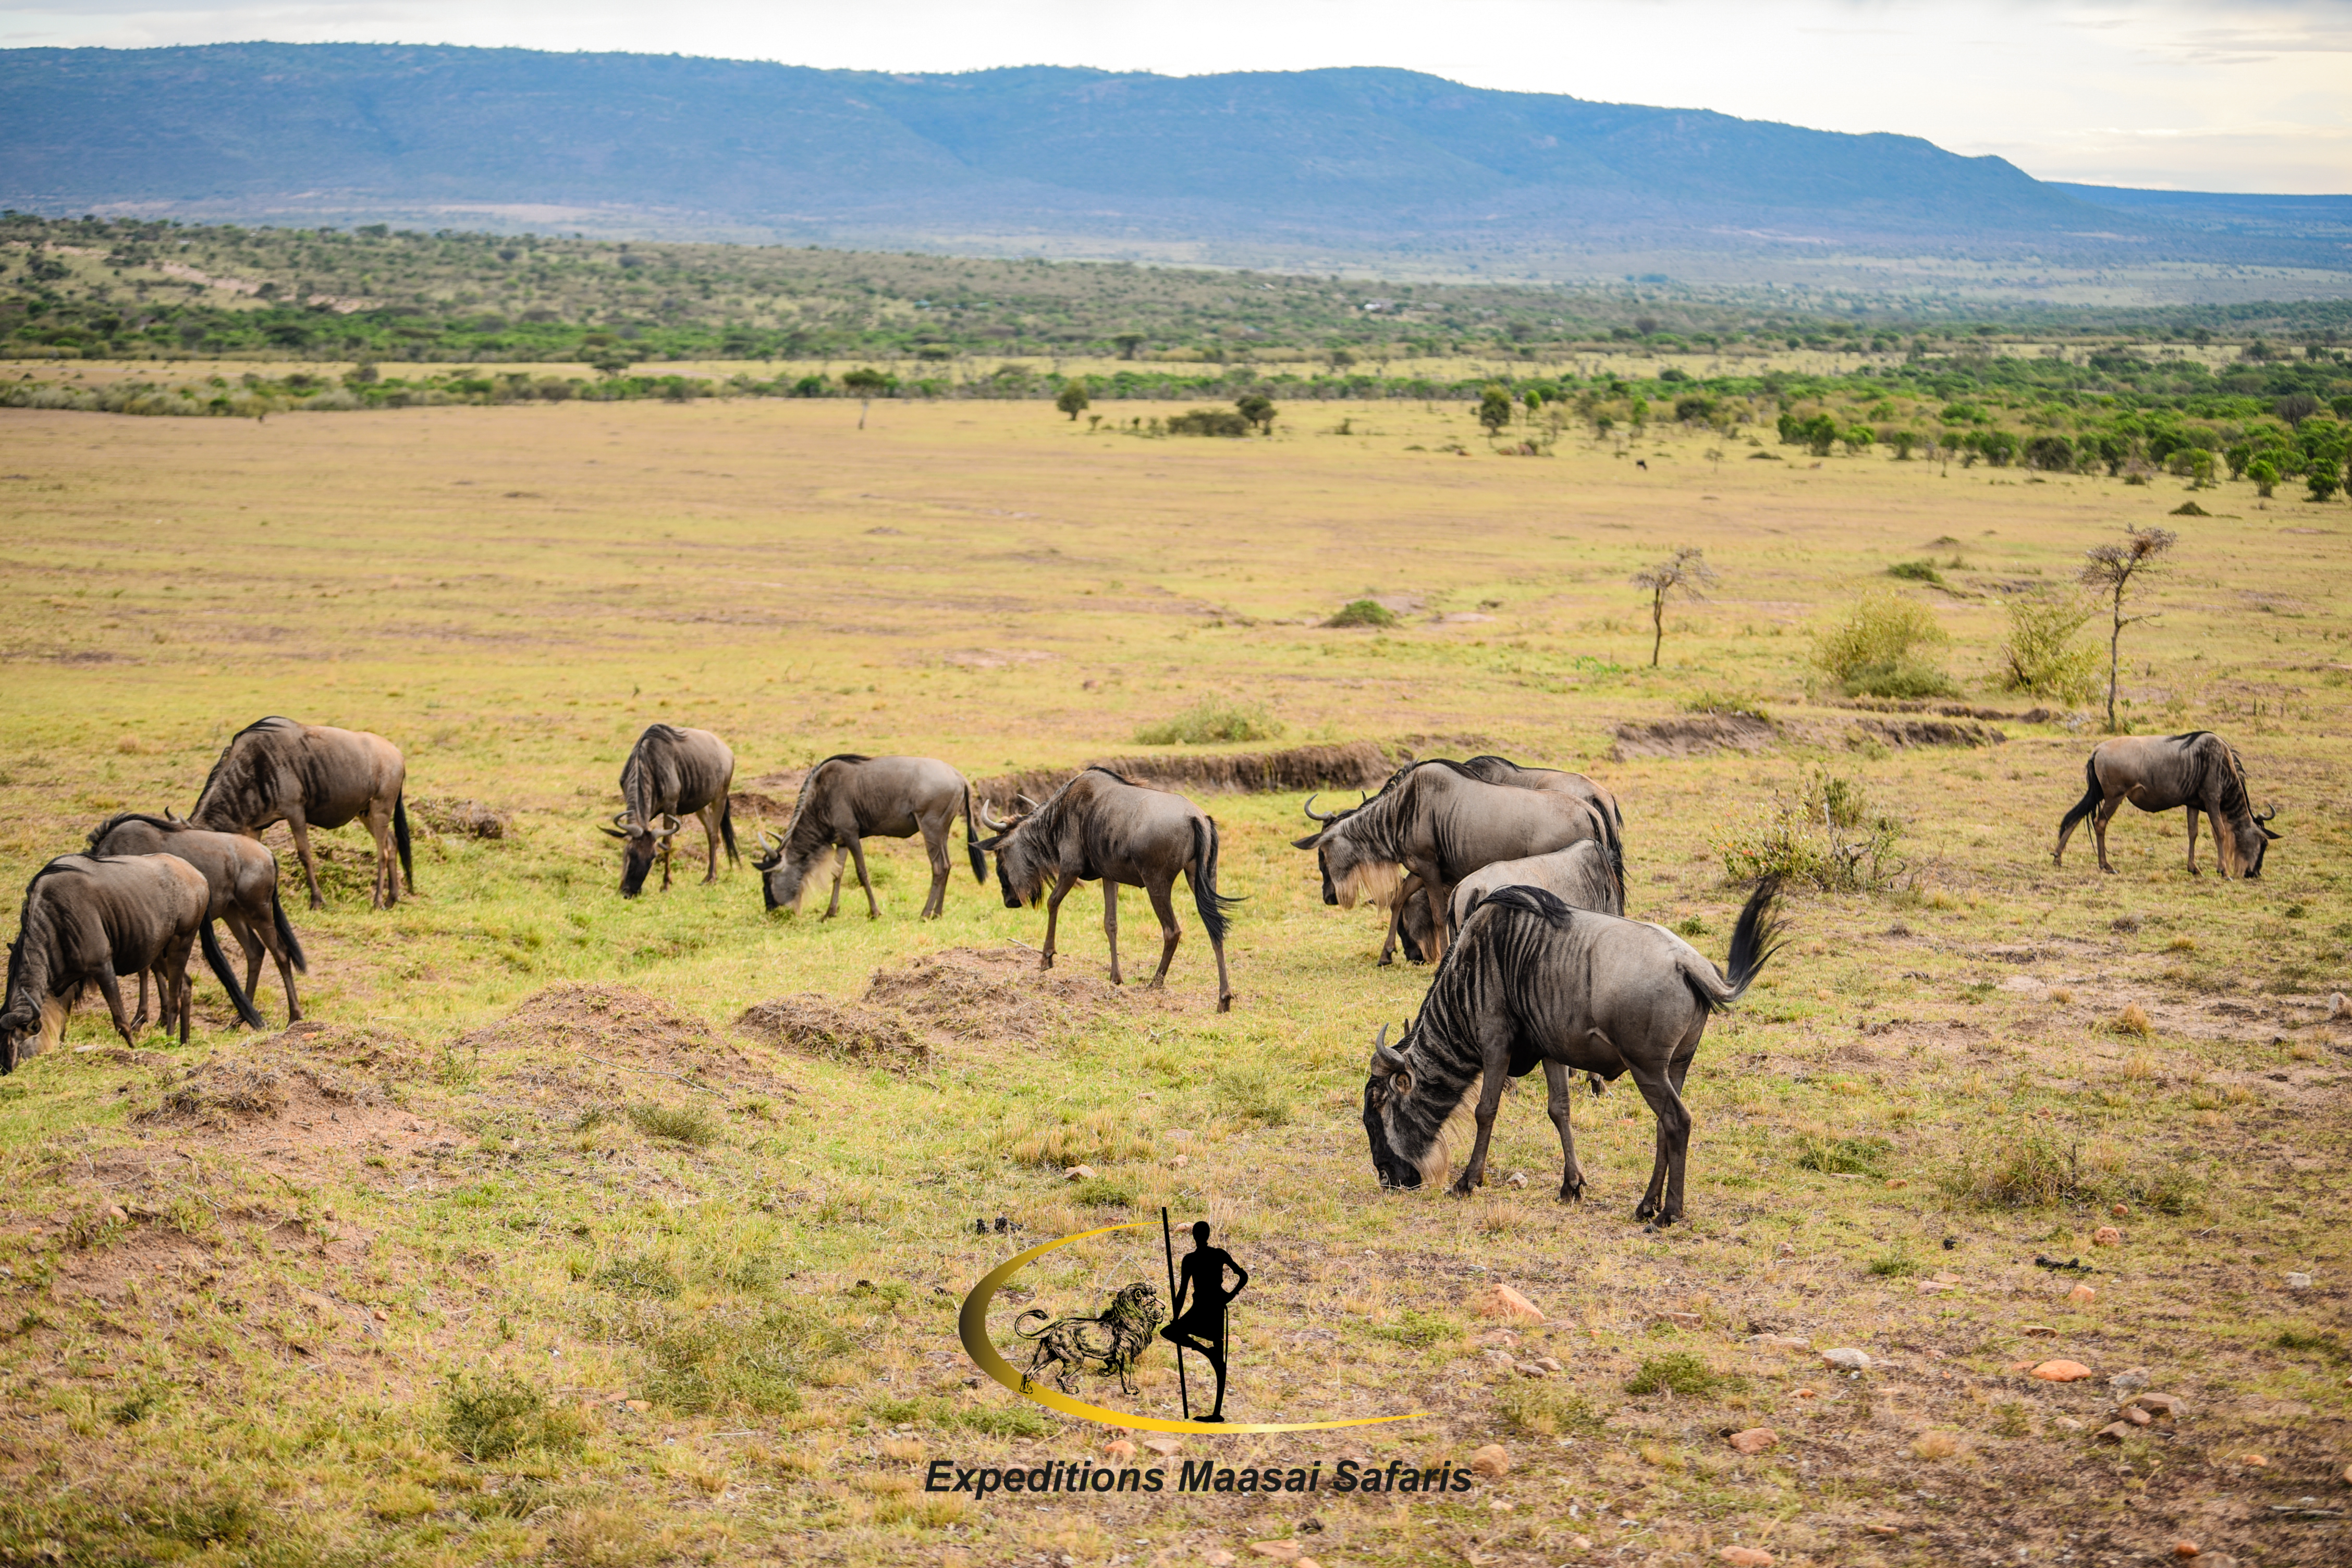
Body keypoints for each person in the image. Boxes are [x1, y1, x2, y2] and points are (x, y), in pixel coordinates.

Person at [1160, 1220, 1248, 1421]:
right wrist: (1230, 1295)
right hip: (1206, 1306)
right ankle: (1207, 1352)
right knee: (1169, 1332)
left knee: (1218, 1358)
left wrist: (1230, 1295)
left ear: (1196, 1236)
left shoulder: (1196, 1258)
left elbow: (1182, 1292)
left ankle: (1216, 1413)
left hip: (1209, 1307)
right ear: (1207, 1234)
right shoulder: (1212, 1255)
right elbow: (1242, 1276)